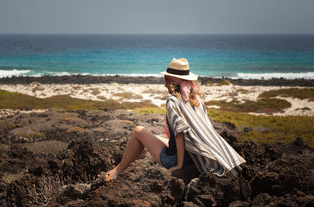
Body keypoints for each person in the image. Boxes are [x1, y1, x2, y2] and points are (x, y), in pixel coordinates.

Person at [104, 58, 245, 182]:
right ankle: (118, 169)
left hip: (179, 160)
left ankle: (117, 171)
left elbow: (180, 134)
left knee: (138, 131)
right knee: (158, 138)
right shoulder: (197, 98)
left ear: (170, 79)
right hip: (197, 156)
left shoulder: (172, 101)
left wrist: (178, 165)